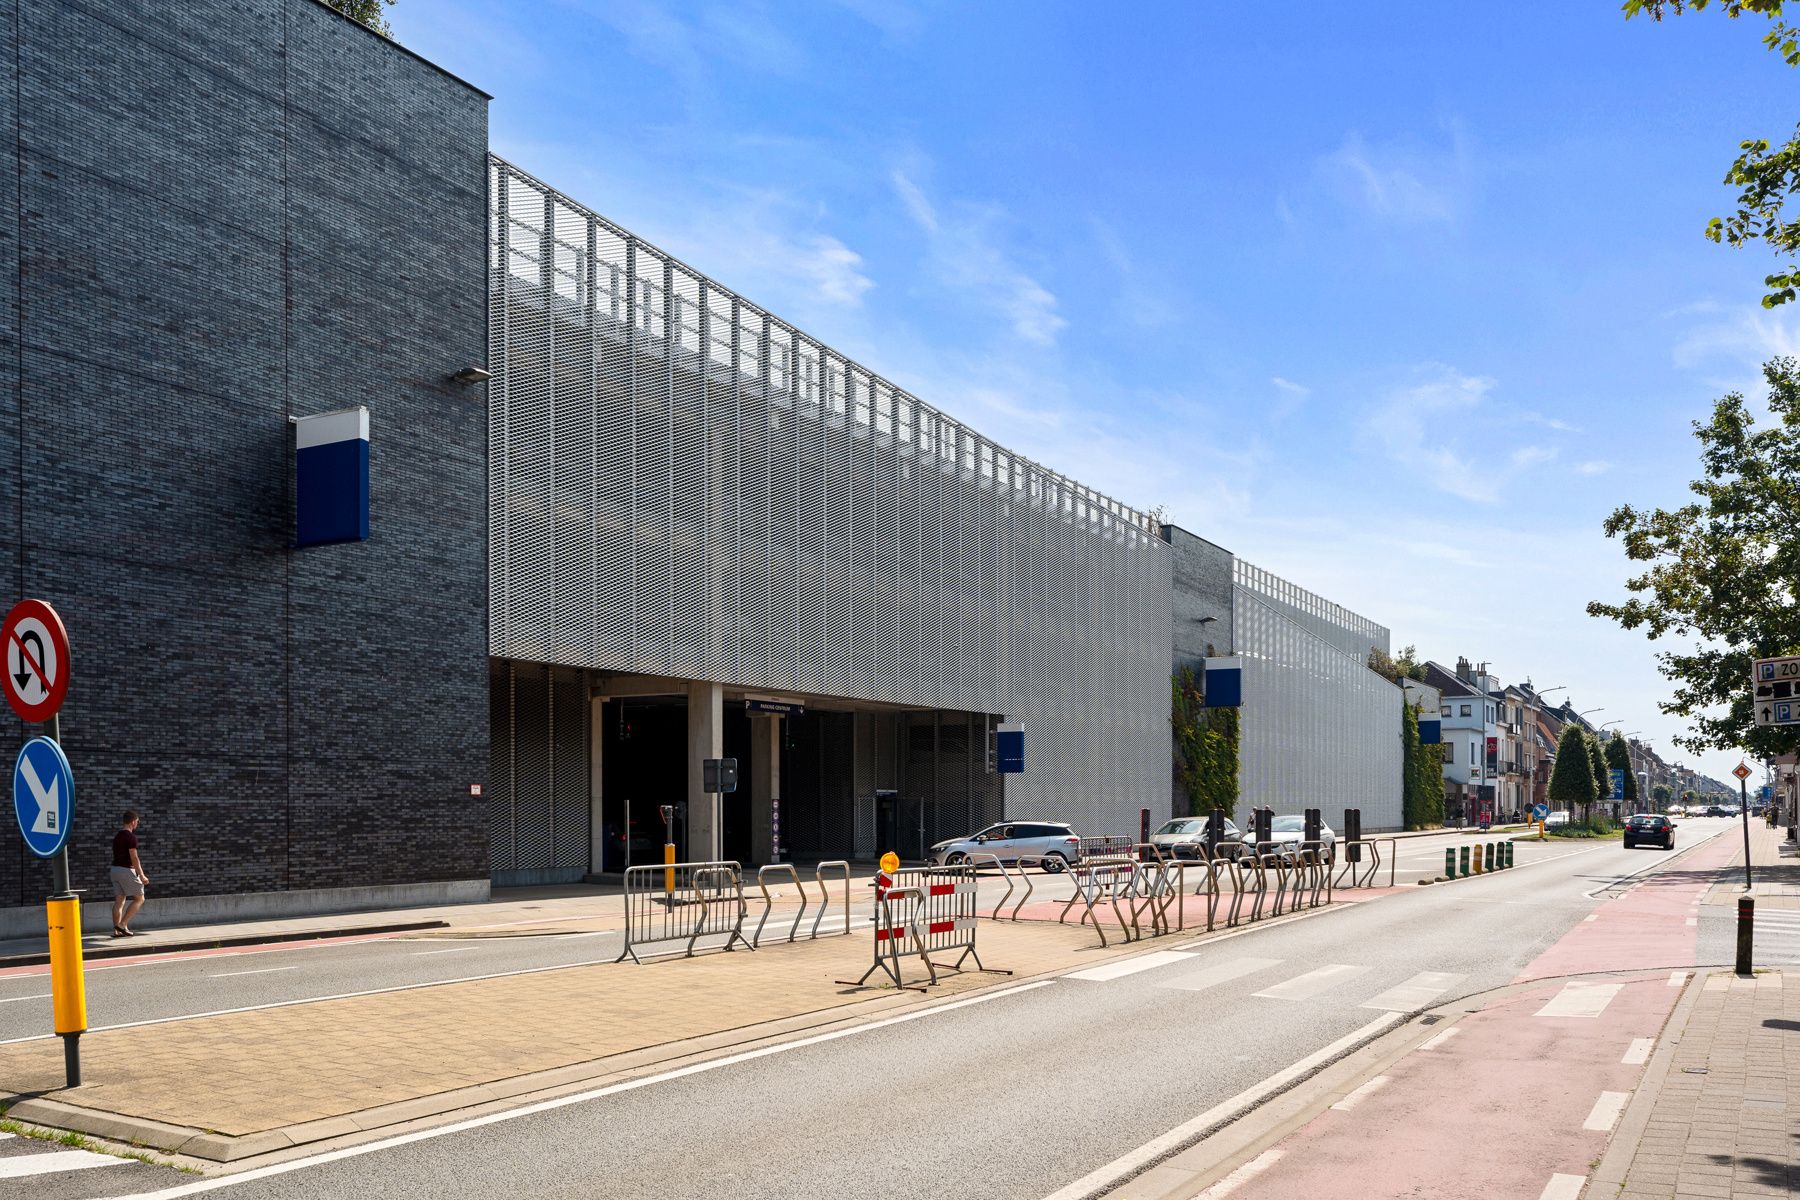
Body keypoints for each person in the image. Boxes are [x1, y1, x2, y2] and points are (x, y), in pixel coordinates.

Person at [111, 810, 148, 937]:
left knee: (119, 900)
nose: (137, 824)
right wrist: (141, 875)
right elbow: (134, 858)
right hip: (126, 870)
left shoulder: (117, 836)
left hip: (114, 870)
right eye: (137, 821)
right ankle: (123, 924)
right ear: (133, 822)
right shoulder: (130, 837)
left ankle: (117, 931)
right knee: (140, 898)